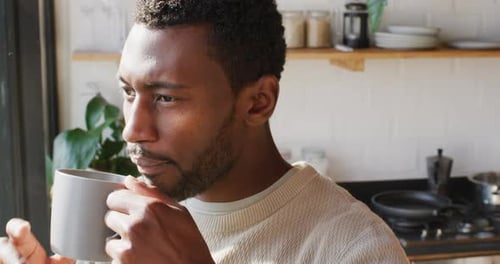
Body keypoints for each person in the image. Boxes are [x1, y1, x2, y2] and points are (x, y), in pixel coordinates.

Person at [1, 0, 409, 263]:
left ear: (258, 102)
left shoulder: (357, 251)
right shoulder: (125, 227)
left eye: (165, 98)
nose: (132, 130)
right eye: (129, 92)